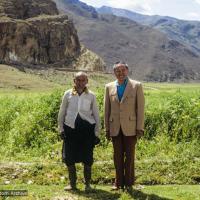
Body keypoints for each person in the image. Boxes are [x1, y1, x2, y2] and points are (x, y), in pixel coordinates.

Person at [104, 61, 145, 191]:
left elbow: (140, 108)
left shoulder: (136, 85)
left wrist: (140, 127)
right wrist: (107, 128)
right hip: (115, 127)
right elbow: (106, 109)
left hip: (131, 127)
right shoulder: (109, 86)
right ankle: (118, 183)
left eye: (123, 70)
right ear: (114, 72)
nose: (120, 73)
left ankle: (129, 183)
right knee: (117, 156)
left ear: (127, 71)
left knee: (130, 155)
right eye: (117, 71)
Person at [58, 71, 100, 191]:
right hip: (70, 129)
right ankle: (73, 185)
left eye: (83, 80)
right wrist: (61, 129)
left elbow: (96, 115)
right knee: (69, 157)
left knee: (87, 158)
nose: (81, 83)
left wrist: (97, 132)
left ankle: (87, 185)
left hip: (87, 131)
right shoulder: (68, 94)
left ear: (87, 81)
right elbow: (62, 112)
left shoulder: (91, 95)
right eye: (78, 80)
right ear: (74, 81)